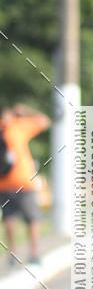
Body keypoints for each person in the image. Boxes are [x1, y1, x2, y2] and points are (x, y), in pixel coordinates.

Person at [0, 104, 50, 266]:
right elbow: (45, 121)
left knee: (9, 218)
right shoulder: (17, 127)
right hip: (23, 182)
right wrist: (26, 111)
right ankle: (34, 254)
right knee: (33, 218)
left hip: (3, 183)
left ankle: (13, 253)